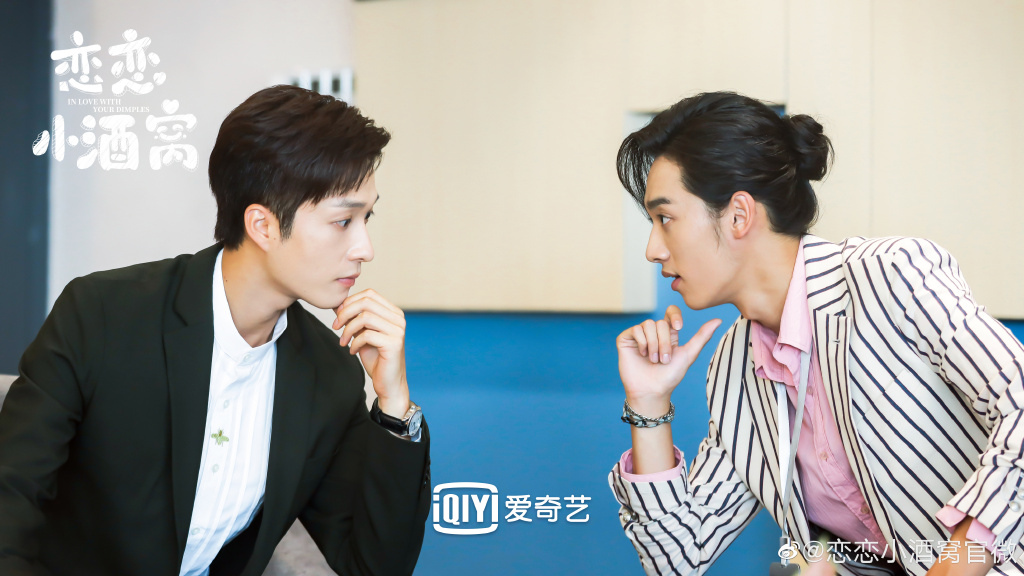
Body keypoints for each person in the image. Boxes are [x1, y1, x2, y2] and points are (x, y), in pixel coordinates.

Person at [0, 85, 430, 575]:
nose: (365, 248)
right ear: (263, 226)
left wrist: (395, 407)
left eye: (367, 217)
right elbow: (10, 500)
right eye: (343, 220)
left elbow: (374, 565)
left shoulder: (329, 372)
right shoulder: (102, 315)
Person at [608, 92, 1024, 576]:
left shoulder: (890, 274)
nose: (653, 249)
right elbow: (677, 557)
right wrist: (648, 406)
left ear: (739, 215)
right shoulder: (734, 368)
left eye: (665, 219)